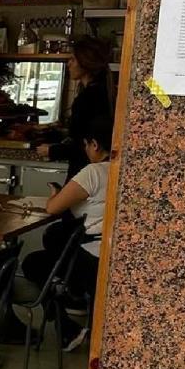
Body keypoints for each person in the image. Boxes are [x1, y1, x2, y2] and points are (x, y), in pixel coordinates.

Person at [22, 115, 112, 351]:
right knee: (54, 239)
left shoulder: (93, 172)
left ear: (94, 144)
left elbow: (53, 208)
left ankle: (65, 323)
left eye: (86, 145)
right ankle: (68, 313)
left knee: (34, 263)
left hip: (91, 257)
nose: (86, 150)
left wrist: (55, 194)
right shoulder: (127, 169)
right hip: (112, 252)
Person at [36, 36, 114, 182]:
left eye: (72, 59)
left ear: (85, 62)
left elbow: (83, 144)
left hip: (84, 171)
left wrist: (52, 150)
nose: (69, 64)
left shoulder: (88, 98)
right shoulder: (103, 91)